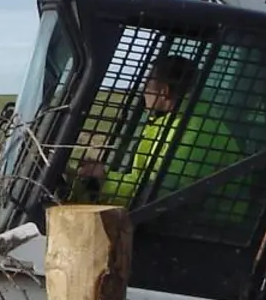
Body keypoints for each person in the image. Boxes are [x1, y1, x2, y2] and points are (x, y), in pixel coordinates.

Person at [73, 53, 240, 205]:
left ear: (164, 91)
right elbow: (144, 183)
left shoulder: (192, 130)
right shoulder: (172, 123)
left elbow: (162, 197)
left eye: (147, 86)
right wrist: (103, 178)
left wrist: (106, 182)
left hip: (202, 223)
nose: (143, 92)